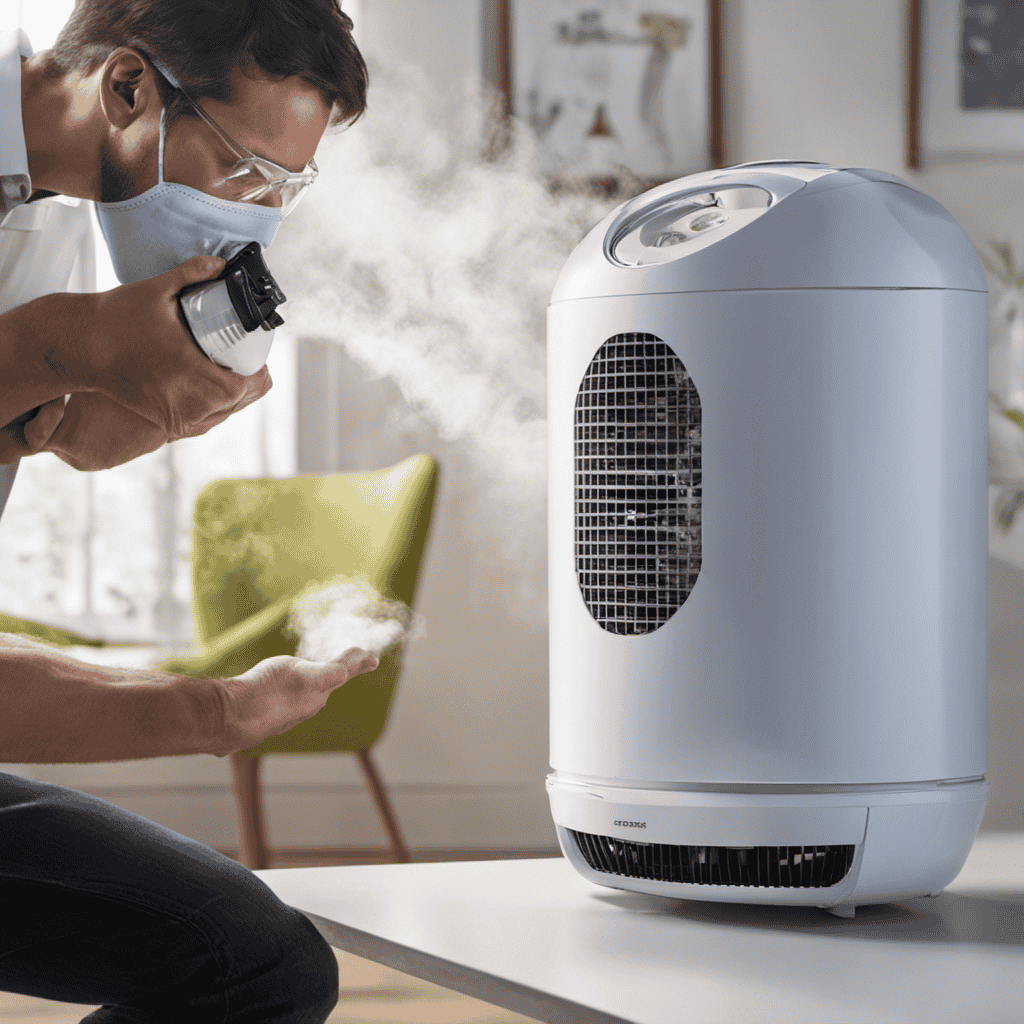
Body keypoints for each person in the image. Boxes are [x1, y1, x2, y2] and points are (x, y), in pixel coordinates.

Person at [0, 3, 378, 1021]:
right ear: (129, 88)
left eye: (285, 190)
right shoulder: (54, 293)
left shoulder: (48, 234)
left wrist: (51, 426)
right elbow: (45, 348)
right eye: (248, 170)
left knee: (261, 963)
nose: (257, 216)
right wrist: (54, 351)